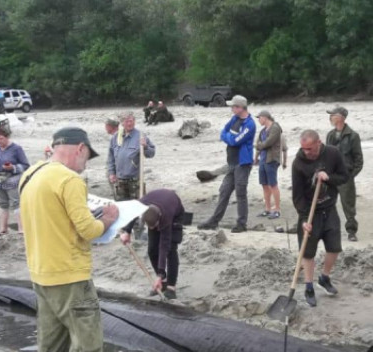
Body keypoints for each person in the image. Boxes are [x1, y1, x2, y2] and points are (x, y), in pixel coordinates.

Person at [20, 127, 119, 352]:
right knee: (87, 342)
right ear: (78, 148)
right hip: (69, 274)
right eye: (87, 156)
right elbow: (89, 231)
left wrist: (90, 217)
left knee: (51, 343)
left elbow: (50, 217)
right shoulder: (70, 179)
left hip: (40, 271)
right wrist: (108, 219)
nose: (86, 163)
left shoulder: (32, 174)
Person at [292, 130, 349, 307]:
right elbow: (297, 195)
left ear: (319, 142)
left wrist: (328, 178)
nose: (306, 152)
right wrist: (303, 219)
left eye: (309, 148)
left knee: (334, 247)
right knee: (308, 251)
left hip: (329, 208)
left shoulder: (332, 153)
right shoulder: (298, 163)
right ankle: (309, 286)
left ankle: (324, 278)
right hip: (310, 212)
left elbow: (344, 177)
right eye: (303, 149)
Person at [198, 95, 256, 233]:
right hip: (231, 163)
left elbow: (235, 141)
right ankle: (214, 221)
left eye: (233, 106)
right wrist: (229, 138)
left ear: (240, 107)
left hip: (242, 164)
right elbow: (223, 132)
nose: (231, 108)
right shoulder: (235, 119)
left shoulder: (250, 124)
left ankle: (242, 223)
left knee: (241, 193)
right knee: (224, 191)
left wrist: (229, 138)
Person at [120, 189, 186, 300]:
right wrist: (127, 231)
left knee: (170, 249)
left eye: (155, 227)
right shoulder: (142, 205)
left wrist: (159, 274)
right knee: (152, 250)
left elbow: (164, 246)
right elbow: (132, 214)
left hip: (175, 215)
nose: (153, 229)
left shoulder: (166, 216)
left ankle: (171, 288)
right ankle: (163, 282)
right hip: (155, 210)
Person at [326, 106, 363, 241]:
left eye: (332, 115)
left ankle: (351, 231)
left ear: (341, 117)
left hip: (345, 176)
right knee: (328, 203)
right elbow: (326, 155)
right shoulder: (330, 135)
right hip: (331, 176)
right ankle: (329, 230)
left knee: (348, 205)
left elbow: (359, 160)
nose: (330, 117)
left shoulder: (353, 136)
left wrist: (350, 175)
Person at [0, 127, 29, 234]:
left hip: (12, 180)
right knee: (2, 204)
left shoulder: (16, 149)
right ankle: (3, 228)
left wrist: (13, 168)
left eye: (1, 139)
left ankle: (21, 228)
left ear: (7, 137)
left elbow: (26, 165)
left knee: (16, 203)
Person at [107, 112, 156, 202]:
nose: (129, 123)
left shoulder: (140, 136)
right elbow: (111, 158)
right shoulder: (115, 137)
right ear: (122, 123)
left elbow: (151, 153)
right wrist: (111, 173)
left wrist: (145, 146)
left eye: (131, 121)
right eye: (126, 121)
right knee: (121, 208)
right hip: (119, 180)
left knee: (139, 207)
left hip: (135, 181)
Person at [254, 110, 285, 220]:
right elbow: (258, 144)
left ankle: (277, 209)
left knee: (273, 184)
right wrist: (256, 157)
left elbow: (268, 142)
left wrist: (259, 146)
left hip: (271, 159)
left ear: (265, 117)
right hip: (263, 159)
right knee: (264, 184)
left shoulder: (275, 128)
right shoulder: (262, 130)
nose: (258, 120)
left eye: (259, 118)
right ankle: (267, 209)